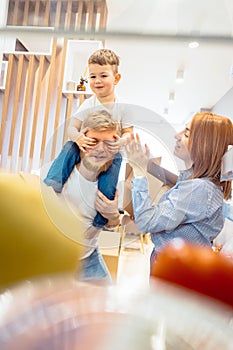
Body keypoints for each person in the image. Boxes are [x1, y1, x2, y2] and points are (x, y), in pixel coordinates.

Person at [125, 112, 233, 268]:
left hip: (178, 267)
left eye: (187, 134)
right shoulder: (199, 184)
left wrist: (139, 172)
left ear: (204, 145)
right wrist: (144, 163)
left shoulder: (199, 189)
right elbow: (176, 183)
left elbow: (146, 222)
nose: (177, 135)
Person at [44, 49, 133, 228]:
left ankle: (102, 215)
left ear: (116, 78)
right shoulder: (88, 104)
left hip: (111, 152)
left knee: (116, 164)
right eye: (92, 77)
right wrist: (78, 139)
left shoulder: (123, 107)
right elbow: (72, 127)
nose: (97, 81)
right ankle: (53, 184)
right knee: (69, 146)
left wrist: (120, 142)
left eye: (103, 75)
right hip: (85, 147)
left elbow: (129, 133)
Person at [43, 110, 123, 283]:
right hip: (54, 258)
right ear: (83, 138)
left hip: (88, 257)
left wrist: (113, 215)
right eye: (94, 141)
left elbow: (115, 224)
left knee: (106, 301)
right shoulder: (60, 171)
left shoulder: (114, 182)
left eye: (108, 143)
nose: (101, 149)